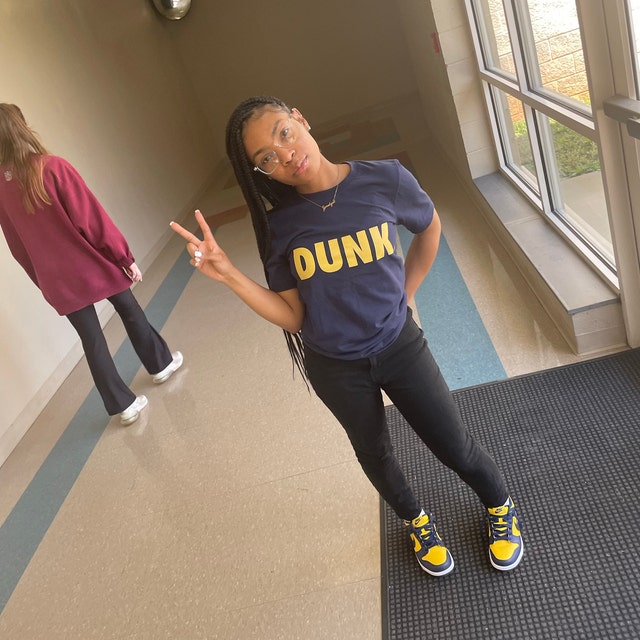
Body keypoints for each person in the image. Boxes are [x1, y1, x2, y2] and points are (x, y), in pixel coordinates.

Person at [170, 95, 523, 576]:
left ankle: (499, 506)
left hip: (400, 347)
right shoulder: (280, 227)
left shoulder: (385, 179)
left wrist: (405, 294)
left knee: (453, 444)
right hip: (335, 368)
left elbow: (429, 227)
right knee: (374, 452)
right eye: (266, 159)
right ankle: (416, 522)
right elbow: (293, 317)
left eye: (283, 133)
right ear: (261, 172)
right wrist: (229, 274)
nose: (285, 154)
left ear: (300, 118)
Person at [0, 104, 183, 425]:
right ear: (21, 128)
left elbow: (17, 247)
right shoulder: (52, 167)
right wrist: (124, 258)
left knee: (91, 339)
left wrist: (42, 281)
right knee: (129, 309)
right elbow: (92, 221)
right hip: (92, 264)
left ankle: (123, 405)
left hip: (56, 279)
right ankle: (161, 365)